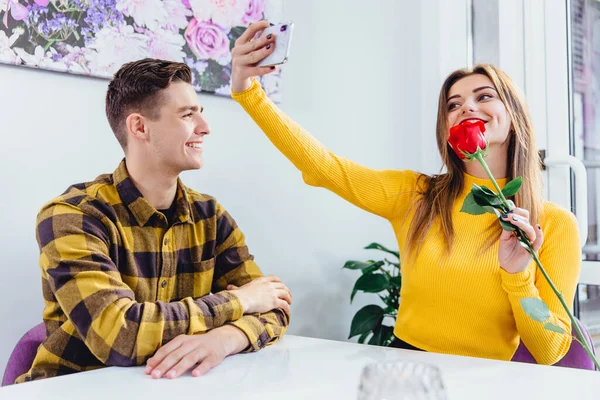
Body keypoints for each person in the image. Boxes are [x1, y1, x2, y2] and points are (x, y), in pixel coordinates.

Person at [228, 21, 581, 365]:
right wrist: (249, 92)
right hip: (407, 368)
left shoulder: (555, 224)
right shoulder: (417, 195)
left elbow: (550, 352)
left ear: (514, 115)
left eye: (484, 96)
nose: (467, 108)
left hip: (487, 381)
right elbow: (325, 167)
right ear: (446, 129)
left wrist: (517, 275)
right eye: (453, 105)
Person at [16, 58, 291, 383]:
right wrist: (240, 300)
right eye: (188, 114)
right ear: (140, 127)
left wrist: (223, 340)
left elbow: (275, 305)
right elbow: (121, 334)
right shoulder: (73, 215)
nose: (205, 127)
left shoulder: (210, 216)